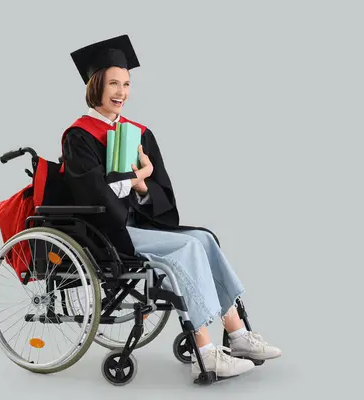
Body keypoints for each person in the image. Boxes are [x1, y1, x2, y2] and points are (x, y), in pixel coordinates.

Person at [60, 34, 281, 381]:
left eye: (127, 84)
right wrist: (132, 180)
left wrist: (144, 183)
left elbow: (160, 191)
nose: (121, 91)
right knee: (189, 246)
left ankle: (237, 335)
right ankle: (206, 354)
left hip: (140, 223)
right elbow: (91, 194)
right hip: (109, 230)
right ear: (96, 86)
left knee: (205, 238)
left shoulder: (138, 132)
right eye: (113, 83)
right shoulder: (78, 136)